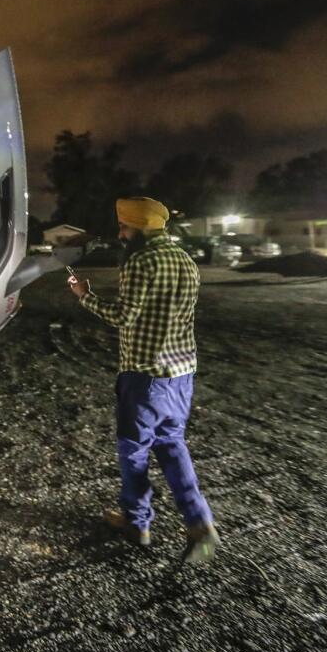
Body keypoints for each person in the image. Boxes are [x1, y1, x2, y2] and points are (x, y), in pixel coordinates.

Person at [67, 196, 220, 564]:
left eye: (124, 227)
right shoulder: (186, 260)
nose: (121, 233)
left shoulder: (140, 260)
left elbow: (124, 316)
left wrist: (84, 296)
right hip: (181, 373)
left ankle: (137, 523)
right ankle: (200, 524)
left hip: (145, 375)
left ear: (138, 227)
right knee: (171, 444)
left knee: (133, 450)